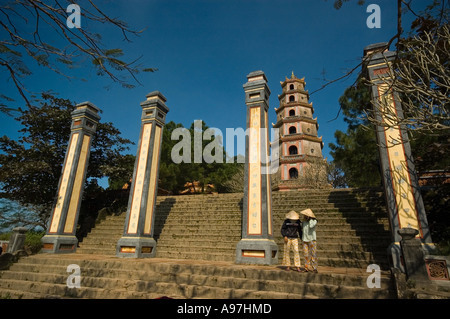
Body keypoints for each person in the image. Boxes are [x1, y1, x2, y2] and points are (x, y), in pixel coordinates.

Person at [300, 208, 318, 273]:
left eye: (306, 215)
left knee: (313, 254)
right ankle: (306, 267)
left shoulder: (314, 221)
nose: (304, 216)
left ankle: (314, 268)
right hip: (304, 240)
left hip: (312, 240)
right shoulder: (303, 222)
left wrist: (310, 219)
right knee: (305, 254)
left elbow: (311, 226)